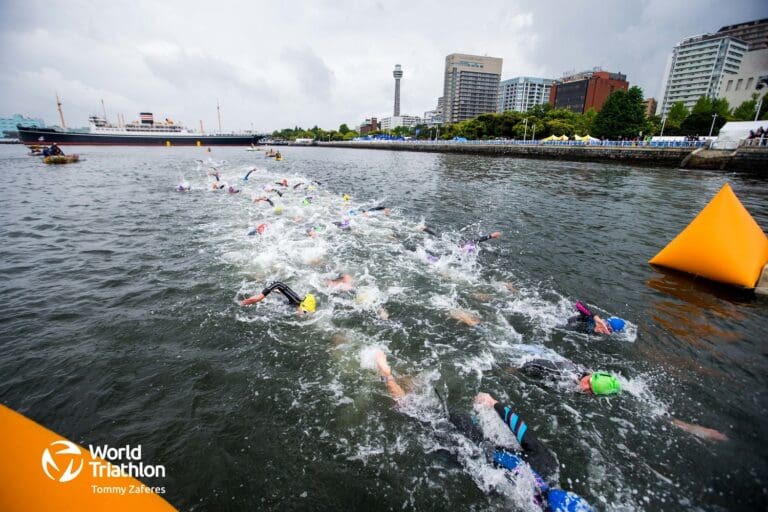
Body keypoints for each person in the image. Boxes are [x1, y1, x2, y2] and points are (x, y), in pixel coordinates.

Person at [372, 350, 593, 511]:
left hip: (471, 434)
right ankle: (387, 373)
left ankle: (400, 377)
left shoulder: (548, 466)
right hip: (461, 442)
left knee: (425, 407)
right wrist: (493, 403)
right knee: (409, 410)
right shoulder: (527, 495)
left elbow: (522, 429)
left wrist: (494, 403)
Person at [516, 358, 621, 396]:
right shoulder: (566, 371)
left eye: (591, 390)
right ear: (591, 375)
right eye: (588, 382)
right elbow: (533, 363)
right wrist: (514, 371)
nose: (584, 388)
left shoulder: (584, 379)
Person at [240, 281, 316, 314]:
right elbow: (278, 285)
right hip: (291, 299)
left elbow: (258, 298)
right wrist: (259, 297)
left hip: (299, 302)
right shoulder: (297, 300)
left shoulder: (275, 285)